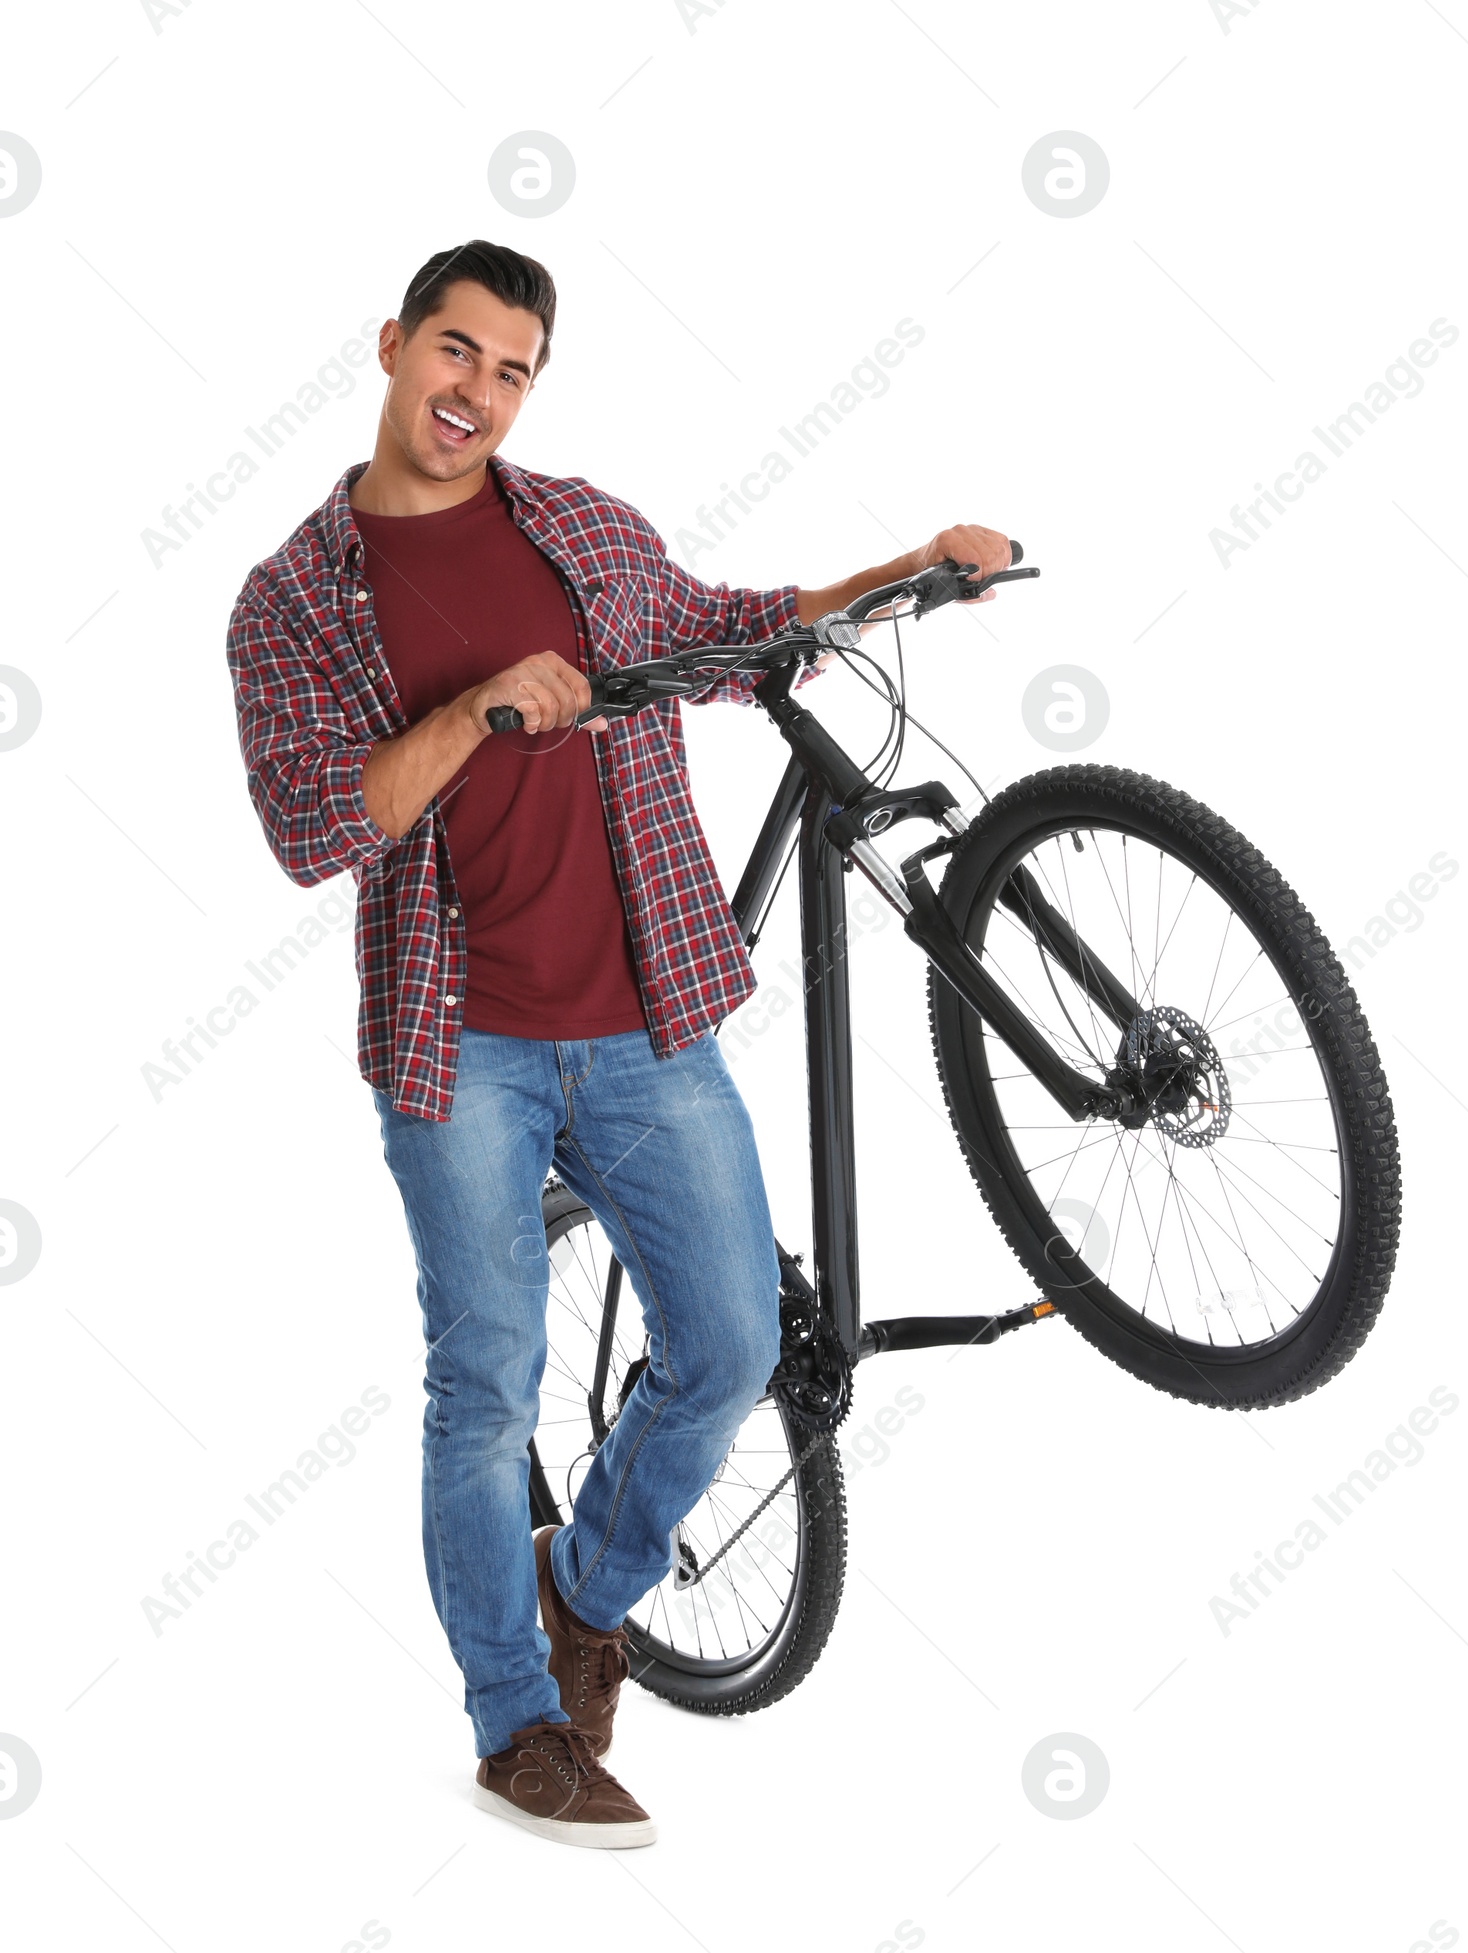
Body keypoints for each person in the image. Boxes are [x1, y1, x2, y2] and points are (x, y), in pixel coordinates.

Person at [225, 238, 1013, 1848]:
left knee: (729, 1346)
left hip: (647, 1020)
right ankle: (514, 1718)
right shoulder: (296, 597)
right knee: (483, 1384)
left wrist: (903, 568)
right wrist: (471, 713)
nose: (478, 393)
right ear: (391, 345)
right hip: (463, 1055)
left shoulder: (581, 524)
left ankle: (587, 1592)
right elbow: (315, 828)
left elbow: (729, 625)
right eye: (457, 352)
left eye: (512, 370)